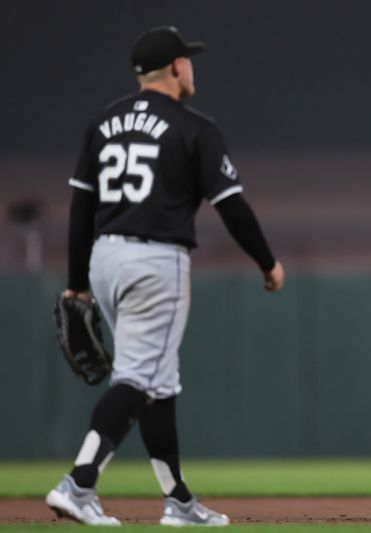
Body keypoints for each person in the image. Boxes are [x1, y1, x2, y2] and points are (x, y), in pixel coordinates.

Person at [45, 25, 284, 526]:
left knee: (159, 382)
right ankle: (79, 483)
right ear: (176, 67)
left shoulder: (102, 121)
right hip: (157, 262)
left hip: (105, 258)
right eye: (188, 60)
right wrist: (267, 262)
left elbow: (80, 207)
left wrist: (75, 281)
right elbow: (232, 207)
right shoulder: (193, 126)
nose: (191, 67)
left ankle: (178, 500)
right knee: (137, 376)